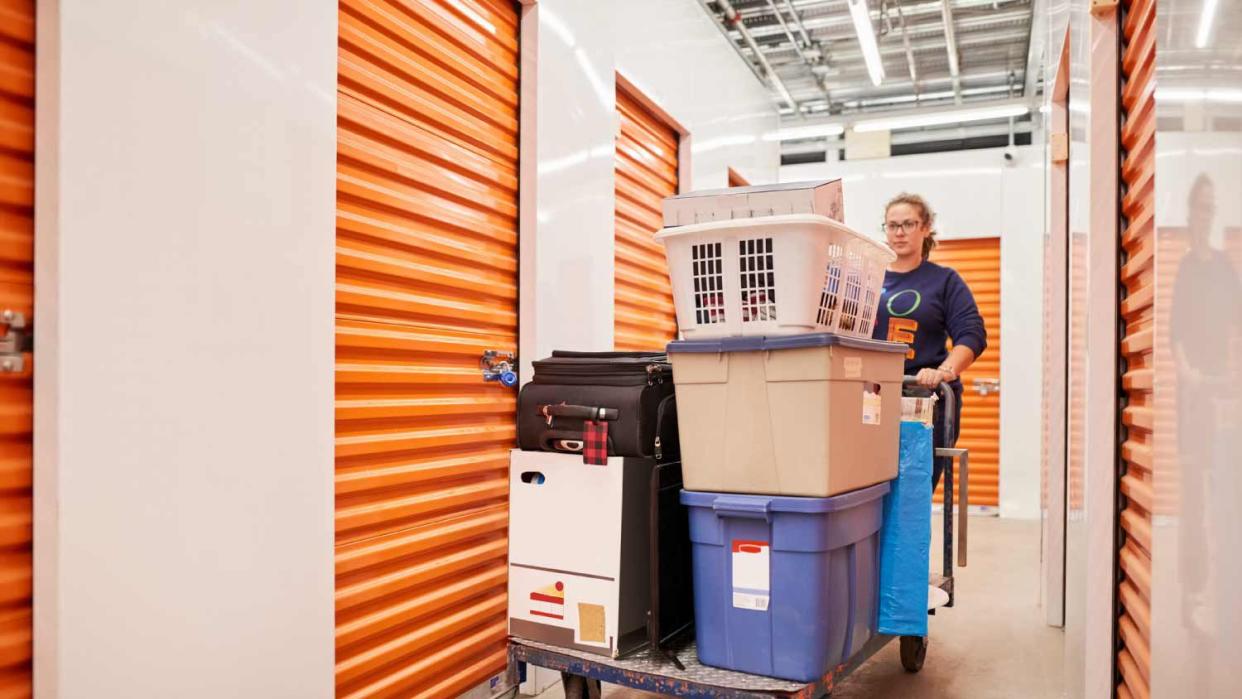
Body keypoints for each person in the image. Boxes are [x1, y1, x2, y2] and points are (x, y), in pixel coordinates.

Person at [871, 193, 987, 488]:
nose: (899, 232)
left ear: (926, 228)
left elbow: (971, 333)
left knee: (912, 492)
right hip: (873, 397)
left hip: (923, 400)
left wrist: (945, 371)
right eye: (892, 225)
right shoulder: (868, 279)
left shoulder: (944, 281)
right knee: (869, 488)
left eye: (908, 224)